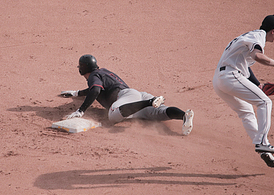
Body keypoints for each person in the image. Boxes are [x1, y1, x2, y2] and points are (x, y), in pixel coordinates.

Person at [212, 15, 274, 168]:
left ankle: (264, 151)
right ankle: (263, 143)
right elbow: (257, 56)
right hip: (230, 76)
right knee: (265, 102)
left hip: (219, 80)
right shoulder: (258, 37)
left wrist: (257, 85)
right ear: (273, 31)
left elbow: (246, 64)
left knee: (246, 112)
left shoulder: (249, 35)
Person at [61, 54, 194, 135]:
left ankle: (151, 101)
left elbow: (95, 90)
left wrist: (80, 110)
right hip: (136, 100)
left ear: (82, 69)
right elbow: (94, 89)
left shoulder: (93, 76)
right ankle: (184, 115)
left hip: (126, 99)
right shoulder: (103, 72)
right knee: (161, 112)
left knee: (113, 115)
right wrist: (76, 93)